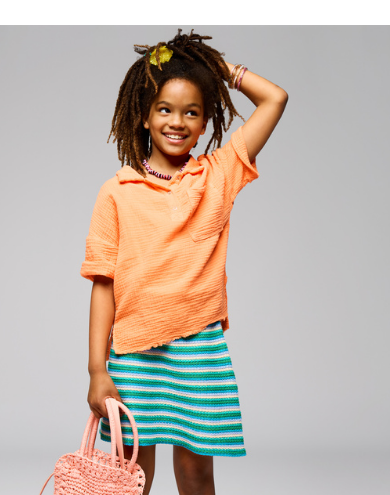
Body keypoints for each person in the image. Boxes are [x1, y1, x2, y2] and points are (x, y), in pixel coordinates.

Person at [81, 29, 287, 495]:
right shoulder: (116, 192)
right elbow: (103, 283)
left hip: (199, 351)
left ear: (205, 119)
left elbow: (275, 98)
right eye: (165, 109)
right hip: (133, 355)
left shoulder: (218, 175)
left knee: (196, 474)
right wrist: (97, 369)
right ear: (144, 116)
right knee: (131, 476)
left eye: (192, 111)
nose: (177, 121)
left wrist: (214, 67)